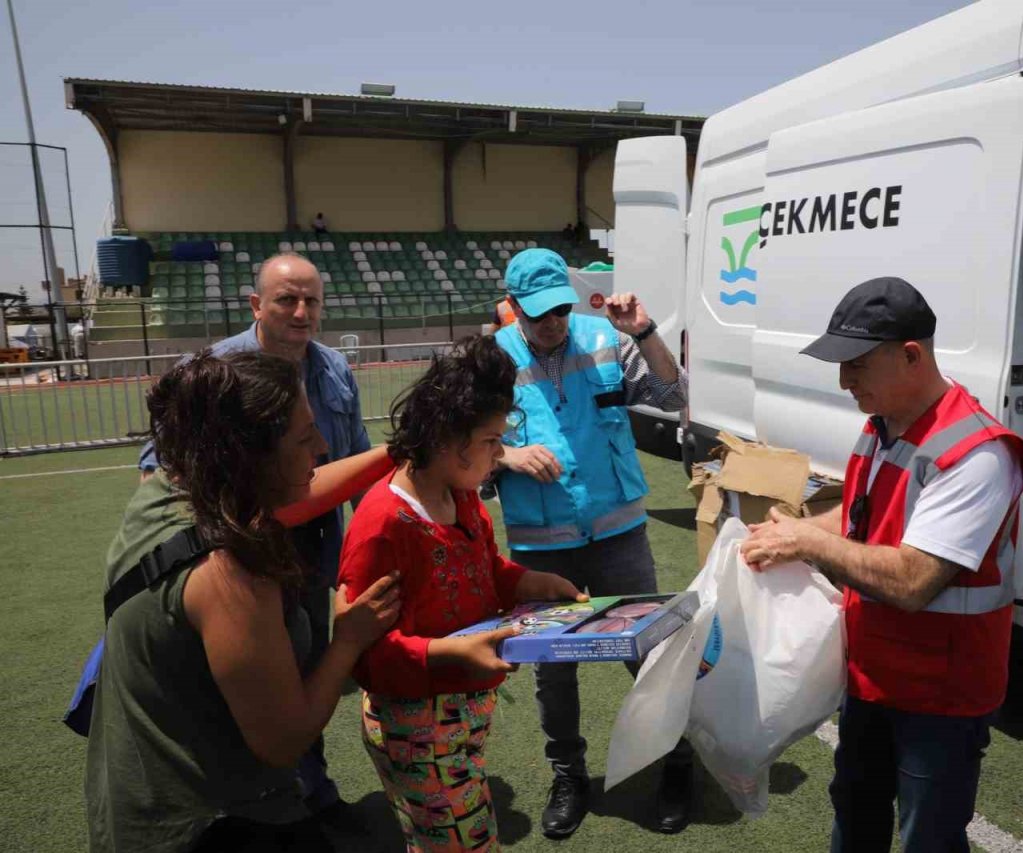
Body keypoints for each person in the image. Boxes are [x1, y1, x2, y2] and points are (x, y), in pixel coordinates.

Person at [740, 277, 1023, 853]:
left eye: (856, 363)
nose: (844, 380)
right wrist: (790, 534)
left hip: (940, 695)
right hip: (874, 675)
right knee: (855, 813)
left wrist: (807, 542)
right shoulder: (884, 423)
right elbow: (858, 520)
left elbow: (912, 580)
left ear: (911, 356)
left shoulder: (976, 454)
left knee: (929, 837)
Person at [85, 352, 402, 853]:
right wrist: (348, 639)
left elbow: (298, 492)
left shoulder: (172, 490)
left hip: (140, 807)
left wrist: (394, 452)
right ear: (247, 457)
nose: (320, 449)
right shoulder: (229, 576)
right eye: (303, 438)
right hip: (210, 826)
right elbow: (282, 741)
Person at [138, 253, 370, 823]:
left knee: (307, 664)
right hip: (241, 555)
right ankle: (248, 802)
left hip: (314, 549)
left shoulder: (335, 368)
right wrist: (217, 541)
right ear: (255, 304)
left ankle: (310, 791)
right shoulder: (218, 370)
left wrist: (371, 541)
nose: (300, 311)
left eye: (311, 300)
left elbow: (358, 458)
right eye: (287, 299)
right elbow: (158, 466)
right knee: (251, 681)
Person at [339, 334, 588, 852]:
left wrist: (528, 582)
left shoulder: (462, 494)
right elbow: (361, 651)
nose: (499, 455)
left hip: (463, 712)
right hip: (414, 724)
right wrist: (448, 652)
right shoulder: (383, 523)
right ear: (448, 440)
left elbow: (485, 568)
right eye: (491, 442)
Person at [491, 248, 694, 837]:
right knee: (553, 670)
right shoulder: (491, 361)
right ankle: (569, 775)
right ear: (512, 308)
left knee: (648, 653)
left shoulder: (607, 337)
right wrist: (506, 454)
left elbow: (672, 396)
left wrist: (647, 332)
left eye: (559, 309)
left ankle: (676, 762)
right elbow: (464, 445)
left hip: (617, 534)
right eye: (537, 314)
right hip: (539, 545)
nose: (551, 323)